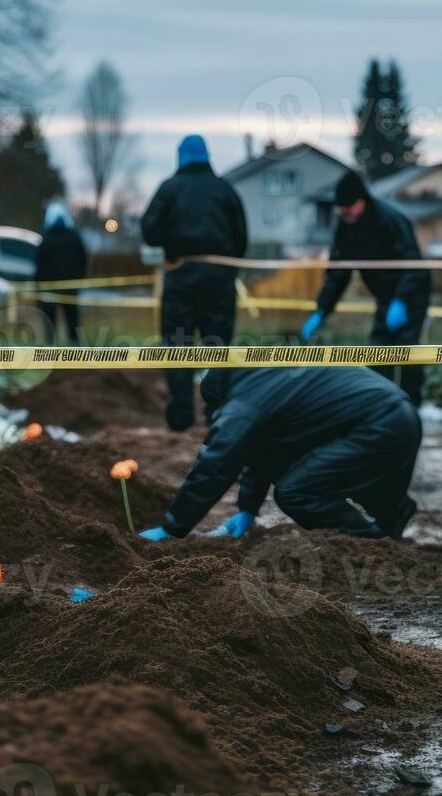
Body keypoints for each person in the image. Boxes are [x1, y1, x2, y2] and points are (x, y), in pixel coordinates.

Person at [137, 367, 421, 542]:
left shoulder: (245, 403)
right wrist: (248, 508)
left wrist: (172, 528)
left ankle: (368, 544)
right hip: (401, 415)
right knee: (331, 473)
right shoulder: (268, 378)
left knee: (296, 491)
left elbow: (217, 462)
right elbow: (266, 452)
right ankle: (392, 515)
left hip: (376, 423)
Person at [142, 135, 248, 431]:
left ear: (181, 158)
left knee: (178, 345)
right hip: (220, 280)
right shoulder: (225, 190)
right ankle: (217, 416)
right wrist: (227, 272)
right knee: (218, 347)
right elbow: (241, 238)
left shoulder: (170, 188)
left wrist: (171, 250)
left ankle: (180, 420)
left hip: (181, 278)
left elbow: (149, 229)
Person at [303, 171, 432, 404]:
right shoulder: (345, 228)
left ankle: (414, 403)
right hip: (384, 296)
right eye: (341, 209)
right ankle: (380, 401)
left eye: (349, 207)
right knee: (379, 348)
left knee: (406, 347)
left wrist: (402, 300)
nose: (345, 213)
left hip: (411, 293)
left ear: (362, 201)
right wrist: (322, 309)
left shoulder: (391, 221)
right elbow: (338, 273)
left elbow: (415, 265)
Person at [35, 201, 88, 344]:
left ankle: (49, 351)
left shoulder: (46, 240)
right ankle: (74, 351)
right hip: (70, 288)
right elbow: (83, 261)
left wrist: (38, 288)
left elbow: (39, 266)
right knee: (72, 321)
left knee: (49, 322)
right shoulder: (74, 238)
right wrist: (78, 281)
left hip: (49, 289)